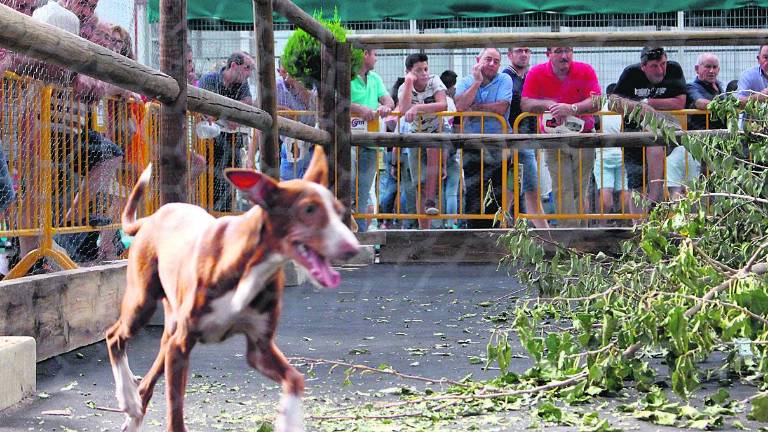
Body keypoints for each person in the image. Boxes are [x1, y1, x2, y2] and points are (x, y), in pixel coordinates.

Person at [521, 46, 601, 228]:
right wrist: (550, 105)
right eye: (558, 51)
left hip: (584, 136)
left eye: (568, 50)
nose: (564, 56)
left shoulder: (585, 70)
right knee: (561, 187)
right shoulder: (536, 72)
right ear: (548, 54)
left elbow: (597, 101)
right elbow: (525, 103)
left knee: (581, 187)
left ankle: (576, 233)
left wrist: (572, 108)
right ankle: (571, 234)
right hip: (553, 138)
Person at [612, 46, 686, 214]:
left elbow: (680, 102)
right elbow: (613, 101)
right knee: (635, 184)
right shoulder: (631, 73)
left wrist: (648, 103)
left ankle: (655, 197)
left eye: (663, 64)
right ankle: (639, 229)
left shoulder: (674, 69)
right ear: (643, 66)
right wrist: (638, 106)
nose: (660, 70)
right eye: (654, 66)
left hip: (667, 126)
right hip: (633, 131)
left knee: (654, 137)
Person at [454, 48, 512, 228]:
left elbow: (501, 107)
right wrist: (477, 82)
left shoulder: (505, 79)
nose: (492, 64)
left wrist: (476, 108)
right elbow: (460, 106)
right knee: (473, 190)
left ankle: (494, 234)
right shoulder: (465, 81)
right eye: (488, 59)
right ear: (478, 60)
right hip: (472, 144)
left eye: (496, 61)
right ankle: (473, 234)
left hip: (498, 144)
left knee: (496, 191)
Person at [198, 51, 255, 212]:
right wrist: (230, 112)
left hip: (232, 144)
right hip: (209, 145)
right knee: (207, 190)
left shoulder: (242, 85)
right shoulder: (209, 79)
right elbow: (204, 110)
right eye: (247, 68)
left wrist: (219, 113)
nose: (249, 73)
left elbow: (246, 108)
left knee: (229, 190)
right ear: (234, 66)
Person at [398, 53, 447, 229]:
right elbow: (403, 109)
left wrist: (417, 107)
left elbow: (443, 104)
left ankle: (431, 201)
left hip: (435, 130)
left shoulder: (435, 81)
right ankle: (423, 228)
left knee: (433, 154)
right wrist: (409, 82)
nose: (424, 73)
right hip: (415, 135)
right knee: (419, 183)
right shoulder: (405, 86)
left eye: (426, 68)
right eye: (419, 70)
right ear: (409, 72)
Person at [502, 46, 550, 229]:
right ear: (510, 55)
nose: (523, 54)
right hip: (516, 139)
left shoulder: (529, 77)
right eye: (519, 51)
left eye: (527, 51)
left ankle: (502, 226)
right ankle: (546, 233)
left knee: (513, 185)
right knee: (530, 188)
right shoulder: (507, 78)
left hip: (527, 139)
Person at [350, 49, 394, 232]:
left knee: (362, 193)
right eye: (374, 54)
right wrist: (359, 108)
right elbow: (336, 100)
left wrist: (385, 107)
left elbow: (389, 101)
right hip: (349, 142)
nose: (376, 58)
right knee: (348, 187)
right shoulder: (347, 76)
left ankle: (359, 236)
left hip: (370, 143)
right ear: (364, 54)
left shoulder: (375, 78)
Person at [593, 83, 627, 223]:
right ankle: (625, 225)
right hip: (617, 156)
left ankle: (602, 226)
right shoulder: (625, 111)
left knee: (608, 198)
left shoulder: (600, 110)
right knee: (623, 195)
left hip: (605, 157)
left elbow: (593, 128)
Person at [276, 61, 316, 180]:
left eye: (292, 69)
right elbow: (262, 108)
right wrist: (281, 110)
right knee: (289, 182)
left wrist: (296, 84)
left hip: (312, 139)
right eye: (284, 71)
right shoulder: (275, 86)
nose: (288, 74)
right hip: (290, 141)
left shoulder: (308, 84)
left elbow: (314, 104)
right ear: (279, 72)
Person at [439, 69, 462, 228]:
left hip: (436, 146)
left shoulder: (434, 99)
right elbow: (456, 124)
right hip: (450, 147)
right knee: (452, 190)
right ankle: (451, 222)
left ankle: (436, 223)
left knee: (436, 188)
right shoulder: (451, 102)